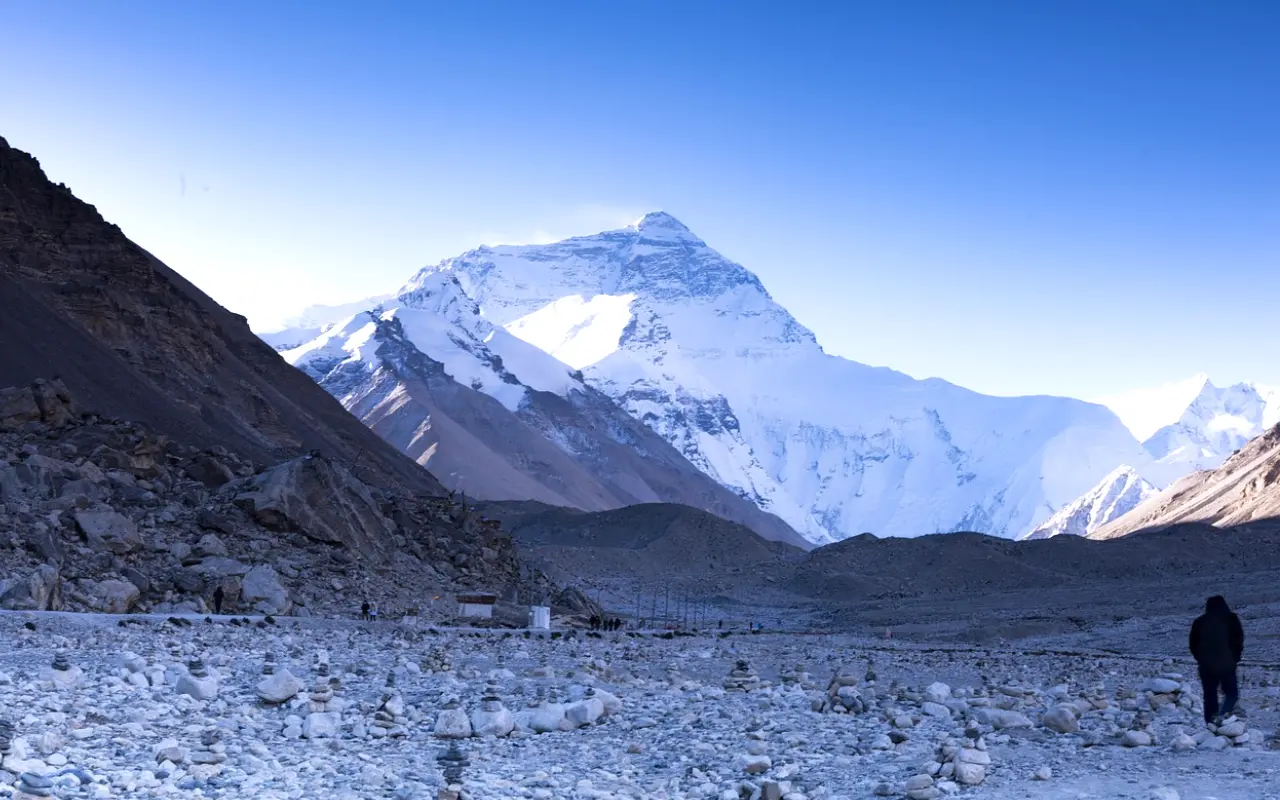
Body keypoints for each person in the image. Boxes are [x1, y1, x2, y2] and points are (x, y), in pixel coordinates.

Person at [1189, 595, 1245, 724]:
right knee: (1231, 694)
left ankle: (1210, 724)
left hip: (1206, 666)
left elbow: (1193, 644)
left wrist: (1201, 659)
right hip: (1227, 664)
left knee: (1210, 696)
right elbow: (1238, 641)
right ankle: (1222, 715)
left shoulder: (1199, 621)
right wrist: (1234, 658)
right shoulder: (1231, 619)